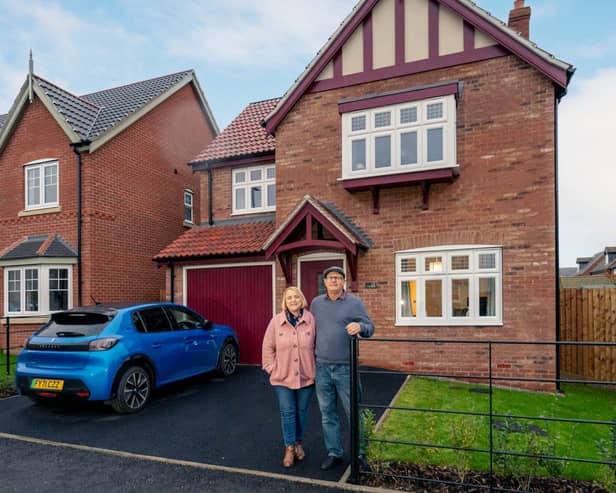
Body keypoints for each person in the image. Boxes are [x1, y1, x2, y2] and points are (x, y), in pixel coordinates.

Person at [311, 266, 375, 470]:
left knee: (354, 411)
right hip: (322, 367)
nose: (334, 281)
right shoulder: (316, 303)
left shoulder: (354, 303)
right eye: (330, 278)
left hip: (346, 368)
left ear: (343, 282)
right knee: (327, 413)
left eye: (338, 278)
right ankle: (334, 452)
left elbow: (370, 327)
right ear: (325, 281)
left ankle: (361, 453)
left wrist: (360, 327)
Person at [262, 286, 316, 468]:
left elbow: (319, 345)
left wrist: (316, 368)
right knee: (288, 412)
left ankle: (299, 443)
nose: (293, 300)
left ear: (302, 299)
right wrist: (271, 368)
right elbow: (267, 347)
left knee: (301, 413)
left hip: (306, 376)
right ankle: (289, 448)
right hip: (282, 377)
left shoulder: (311, 320)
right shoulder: (276, 322)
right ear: (285, 301)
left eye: (296, 297)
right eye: (289, 297)